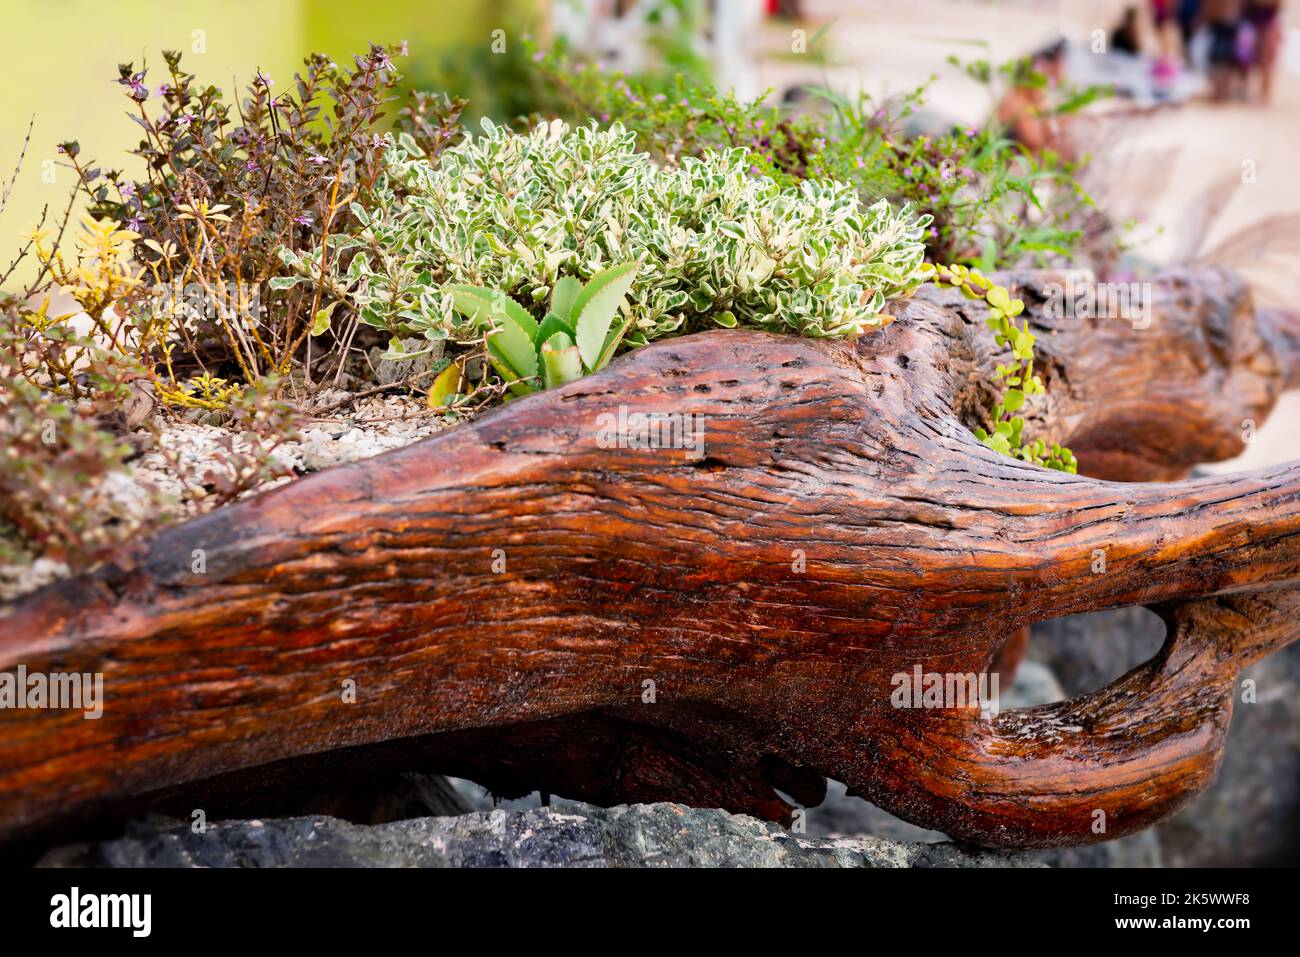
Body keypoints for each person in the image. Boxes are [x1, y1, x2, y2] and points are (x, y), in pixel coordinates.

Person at [995, 40, 1072, 156]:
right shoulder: (1017, 99)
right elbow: (1036, 142)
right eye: (1052, 75)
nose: (1057, 80)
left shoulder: (1036, 102)